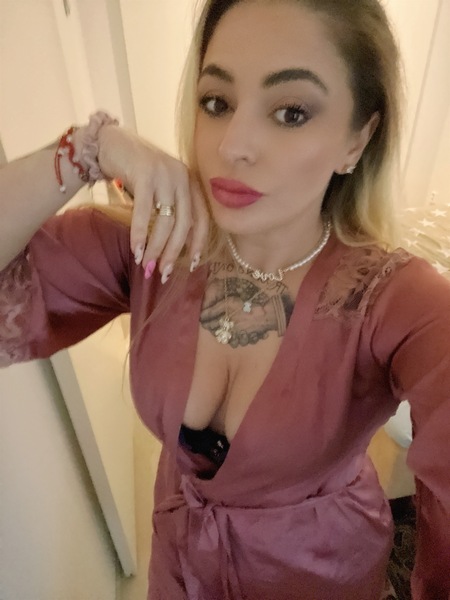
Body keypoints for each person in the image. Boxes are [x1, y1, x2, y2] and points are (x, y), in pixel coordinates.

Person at [1, 0, 449, 598]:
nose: (233, 145)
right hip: (180, 567)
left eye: (291, 112)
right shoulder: (154, 247)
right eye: (217, 103)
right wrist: (91, 149)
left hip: (319, 575)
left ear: (358, 139)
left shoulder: (396, 302)